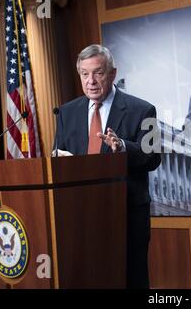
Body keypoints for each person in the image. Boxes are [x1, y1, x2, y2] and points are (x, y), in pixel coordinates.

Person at [55, 44, 161, 288]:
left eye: (98, 73)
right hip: (79, 215)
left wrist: (123, 146)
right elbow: (58, 157)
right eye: (84, 73)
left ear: (112, 74)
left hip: (125, 213)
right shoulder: (66, 113)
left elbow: (153, 157)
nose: (90, 80)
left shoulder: (142, 109)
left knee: (129, 278)